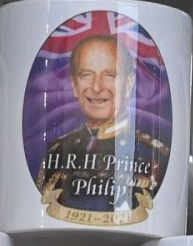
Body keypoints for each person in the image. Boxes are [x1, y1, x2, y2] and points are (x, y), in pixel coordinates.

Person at [35, 35, 137, 212]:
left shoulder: (152, 153)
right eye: (87, 75)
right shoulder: (56, 151)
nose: (96, 87)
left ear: (128, 85)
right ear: (74, 84)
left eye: (109, 75)